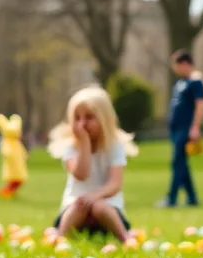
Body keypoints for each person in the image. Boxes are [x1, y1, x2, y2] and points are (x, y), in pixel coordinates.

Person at [49, 86, 138, 242]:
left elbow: (115, 184)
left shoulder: (114, 147)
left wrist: (95, 197)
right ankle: (60, 237)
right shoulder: (70, 147)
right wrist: (84, 143)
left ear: (104, 119)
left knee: (99, 206)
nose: (82, 124)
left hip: (107, 210)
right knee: (78, 207)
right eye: (77, 118)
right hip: (75, 211)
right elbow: (81, 175)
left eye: (89, 117)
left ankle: (125, 237)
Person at [156, 50, 203, 208]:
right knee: (182, 164)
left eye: (177, 65)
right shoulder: (179, 83)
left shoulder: (195, 83)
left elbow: (200, 105)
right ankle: (192, 198)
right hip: (175, 129)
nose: (175, 69)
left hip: (186, 129)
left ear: (186, 64)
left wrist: (195, 127)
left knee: (177, 163)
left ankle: (172, 198)